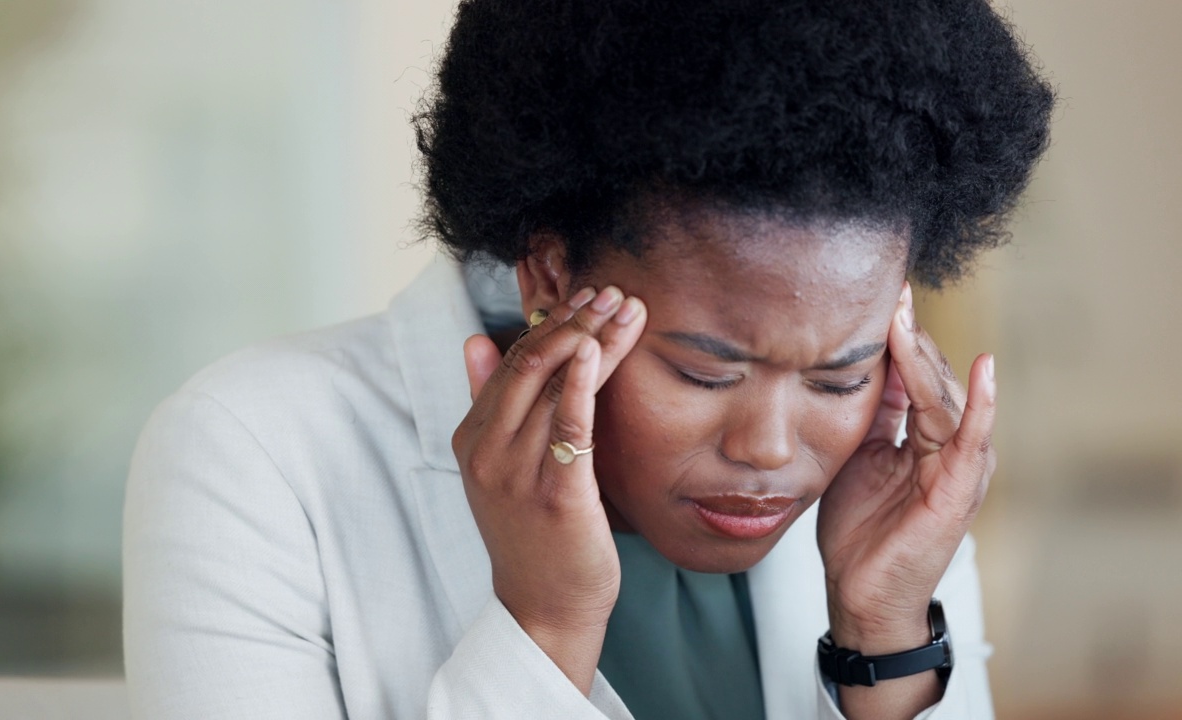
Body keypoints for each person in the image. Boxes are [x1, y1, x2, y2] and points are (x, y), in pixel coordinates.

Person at [122, 1, 1054, 718]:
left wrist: (884, 637)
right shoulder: (253, 456)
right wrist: (548, 629)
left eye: (838, 375)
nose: (772, 448)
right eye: (704, 371)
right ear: (551, 272)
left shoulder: (888, 496)